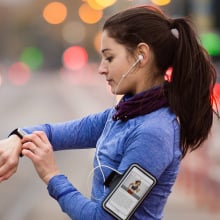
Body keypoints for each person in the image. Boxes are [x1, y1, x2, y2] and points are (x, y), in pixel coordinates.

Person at [0, 5, 219, 220]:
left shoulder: (154, 134)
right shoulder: (121, 115)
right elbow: (53, 133)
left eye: (110, 57)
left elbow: (105, 218)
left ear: (141, 55)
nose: (101, 68)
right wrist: (16, 138)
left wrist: (51, 175)